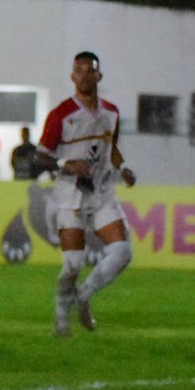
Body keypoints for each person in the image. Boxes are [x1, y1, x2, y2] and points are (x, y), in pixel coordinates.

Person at [36, 52, 137, 336]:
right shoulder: (60, 115)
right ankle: (60, 310)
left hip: (102, 193)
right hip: (70, 196)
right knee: (73, 264)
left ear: (98, 76)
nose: (83, 76)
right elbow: (39, 156)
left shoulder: (112, 113)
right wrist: (63, 163)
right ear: (72, 77)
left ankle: (83, 297)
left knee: (122, 252)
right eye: (77, 71)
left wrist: (124, 168)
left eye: (88, 71)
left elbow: (112, 150)